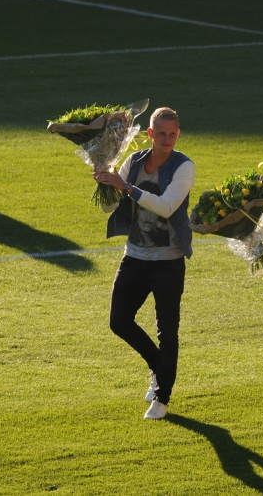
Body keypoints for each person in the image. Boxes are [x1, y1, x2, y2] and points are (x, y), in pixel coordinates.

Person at [94, 107, 195, 420]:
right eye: (161, 133)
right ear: (150, 134)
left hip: (168, 263)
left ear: (178, 134)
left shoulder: (184, 166)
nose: (167, 139)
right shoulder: (135, 161)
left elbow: (166, 207)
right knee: (119, 321)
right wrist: (104, 180)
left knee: (168, 332)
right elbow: (109, 206)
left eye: (172, 133)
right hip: (134, 258)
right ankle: (158, 367)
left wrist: (125, 187)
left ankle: (162, 399)